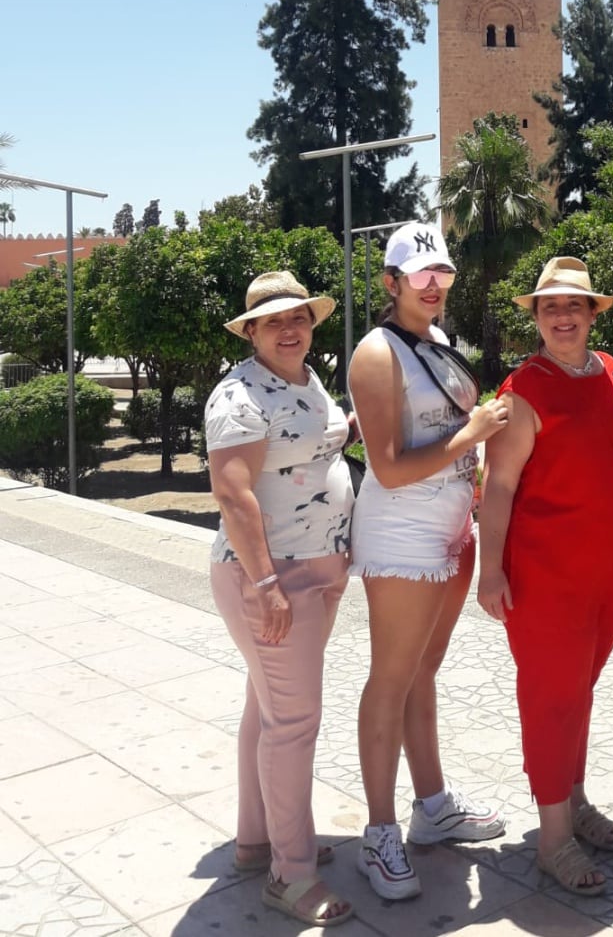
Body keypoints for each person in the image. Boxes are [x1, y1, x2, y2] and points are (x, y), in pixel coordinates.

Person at [348, 221, 508, 902]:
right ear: (391, 283)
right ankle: (380, 832)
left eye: (441, 272)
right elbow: (384, 469)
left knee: (424, 672)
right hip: (403, 536)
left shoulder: (441, 342)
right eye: (419, 275)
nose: (434, 284)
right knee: (391, 678)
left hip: (451, 528)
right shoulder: (375, 353)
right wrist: (471, 434)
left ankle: (431, 804)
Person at [478, 257, 613, 898]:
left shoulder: (611, 372)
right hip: (546, 575)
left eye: (575, 306)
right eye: (551, 307)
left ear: (594, 313)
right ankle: (552, 840)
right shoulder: (524, 390)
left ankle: (571, 800)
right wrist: (490, 571)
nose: (564, 316)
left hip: (608, 573)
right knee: (551, 696)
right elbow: (498, 487)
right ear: (538, 318)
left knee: (581, 691)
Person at [206, 271, 354, 928]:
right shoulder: (239, 395)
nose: (289, 329)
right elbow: (234, 494)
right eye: (273, 322)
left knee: (264, 710)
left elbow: (310, 447)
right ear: (252, 332)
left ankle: (255, 839)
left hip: (314, 573)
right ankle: (289, 876)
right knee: (292, 724)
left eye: (298, 317)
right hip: (271, 579)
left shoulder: (304, 378)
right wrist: (266, 585)